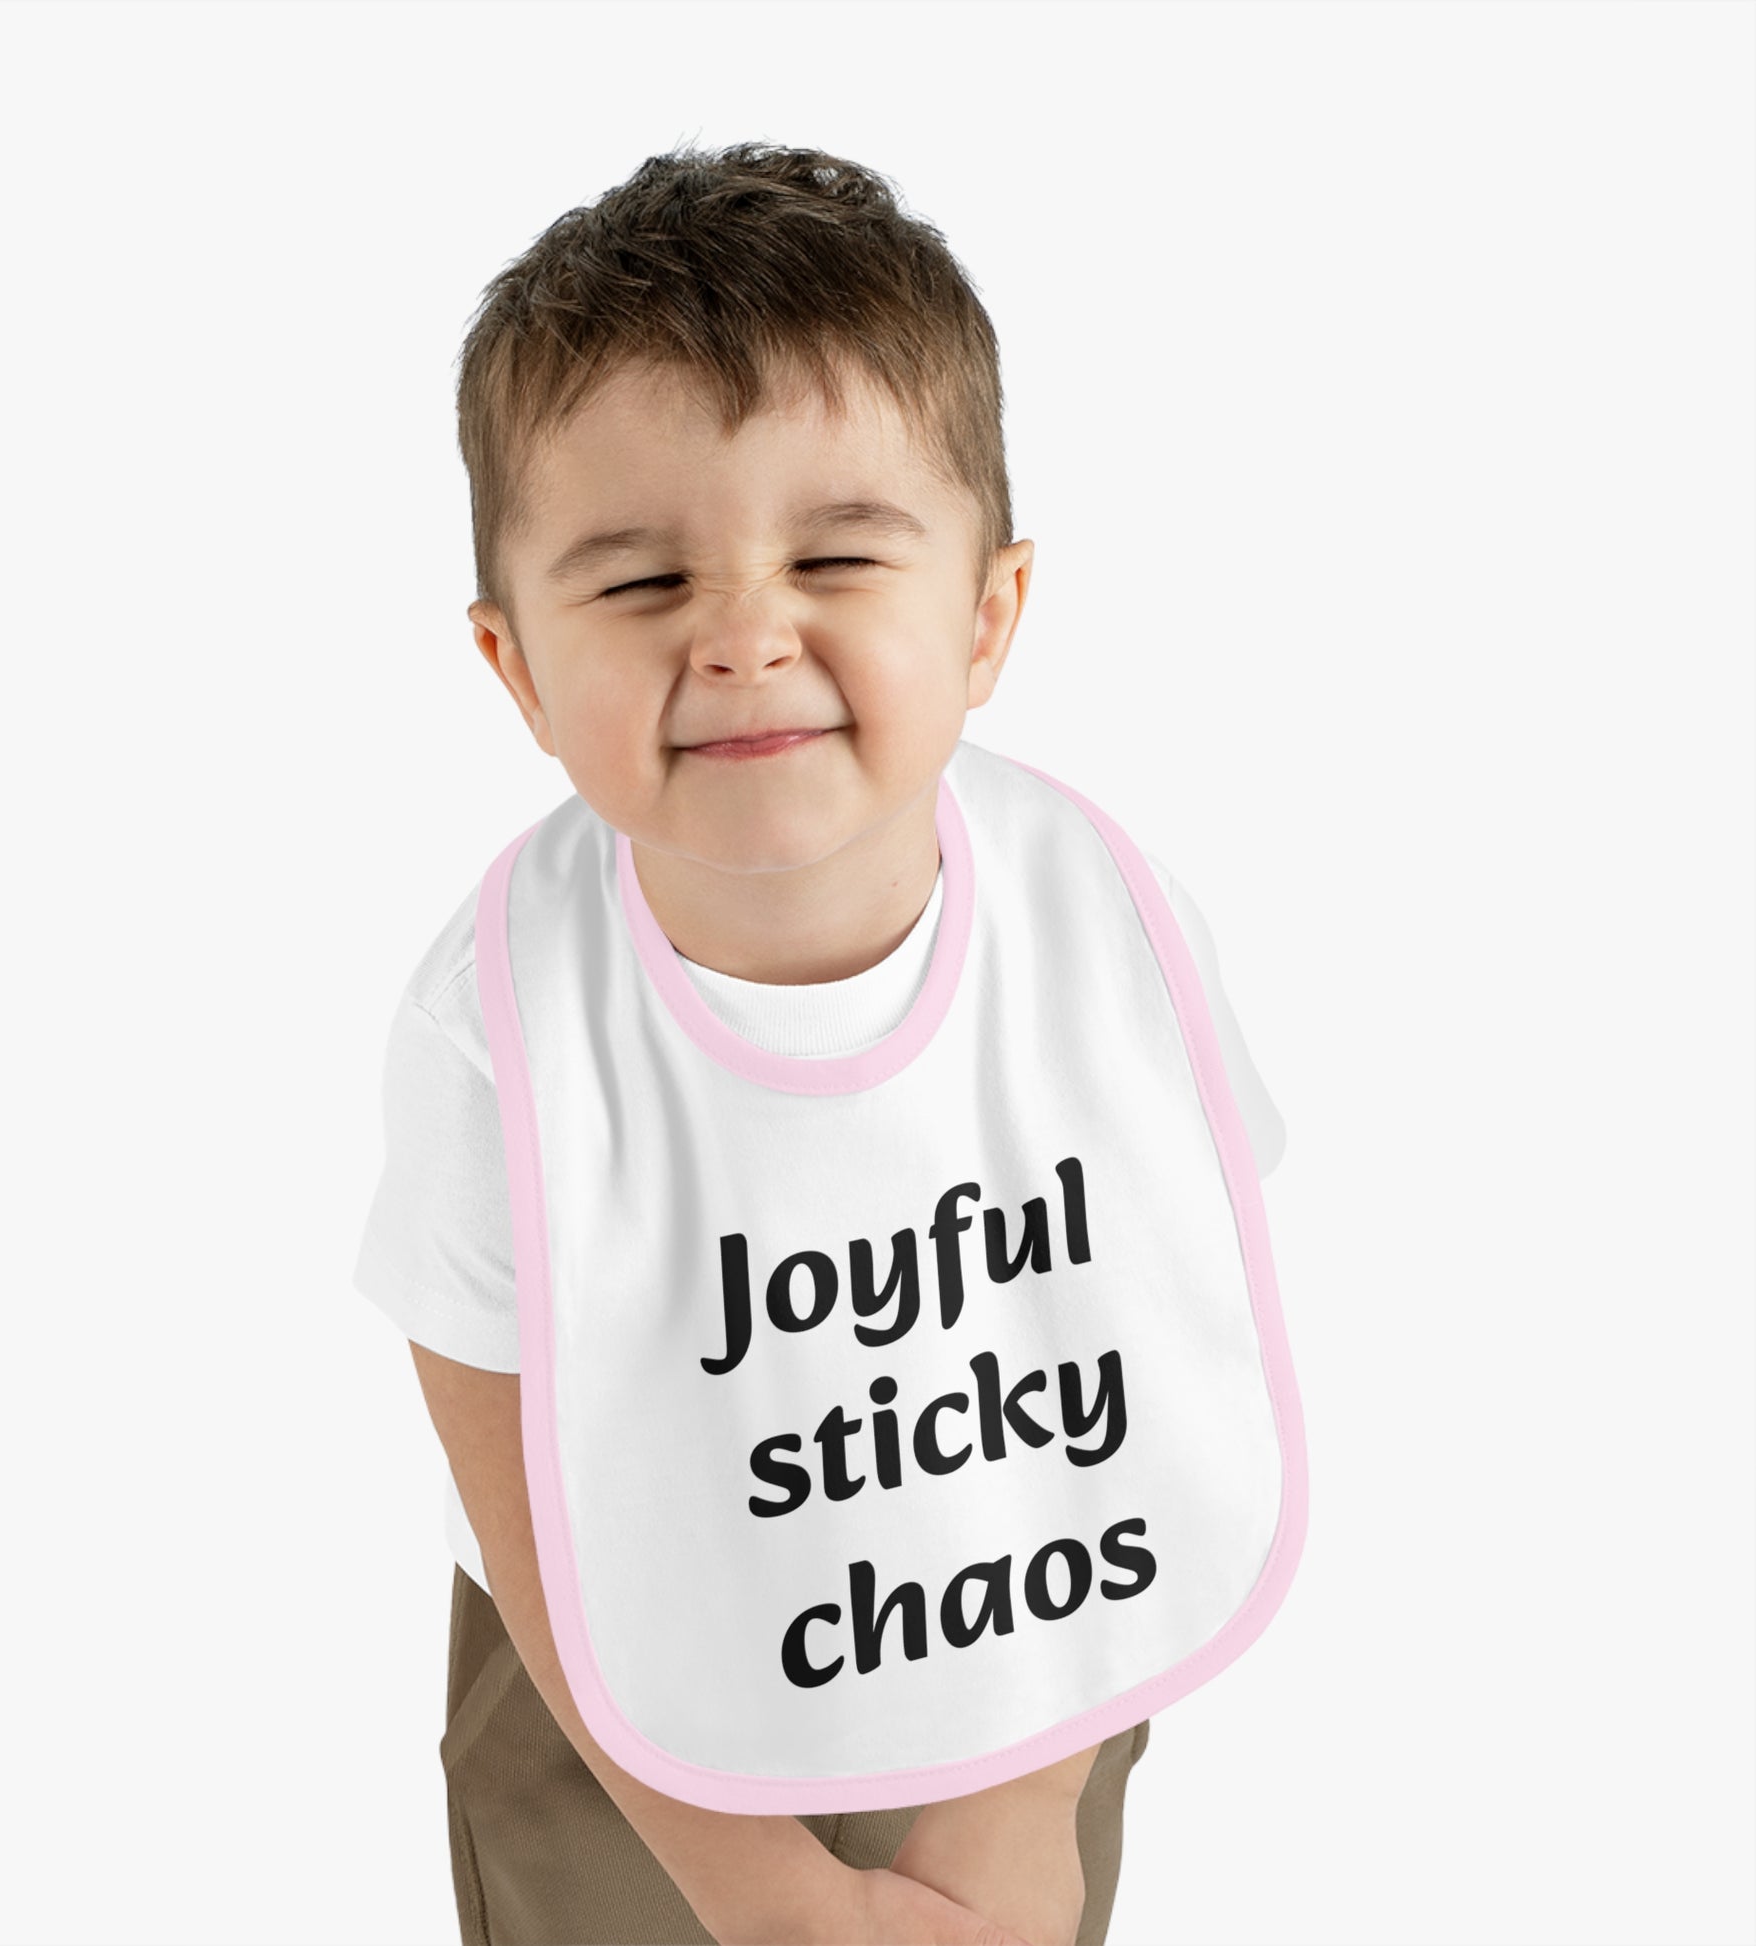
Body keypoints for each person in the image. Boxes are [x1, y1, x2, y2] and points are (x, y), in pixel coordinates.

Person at [354, 141, 1297, 1946]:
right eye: (641, 584)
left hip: (1026, 1635)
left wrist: (1021, 1797)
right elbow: (516, 1480)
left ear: (986, 614)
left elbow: (1150, 1333)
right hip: (620, 1717)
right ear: (517, 666)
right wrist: (765, 1888)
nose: (742, 636)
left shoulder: (1099, 919)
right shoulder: (496, 1017)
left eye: (838, 553)